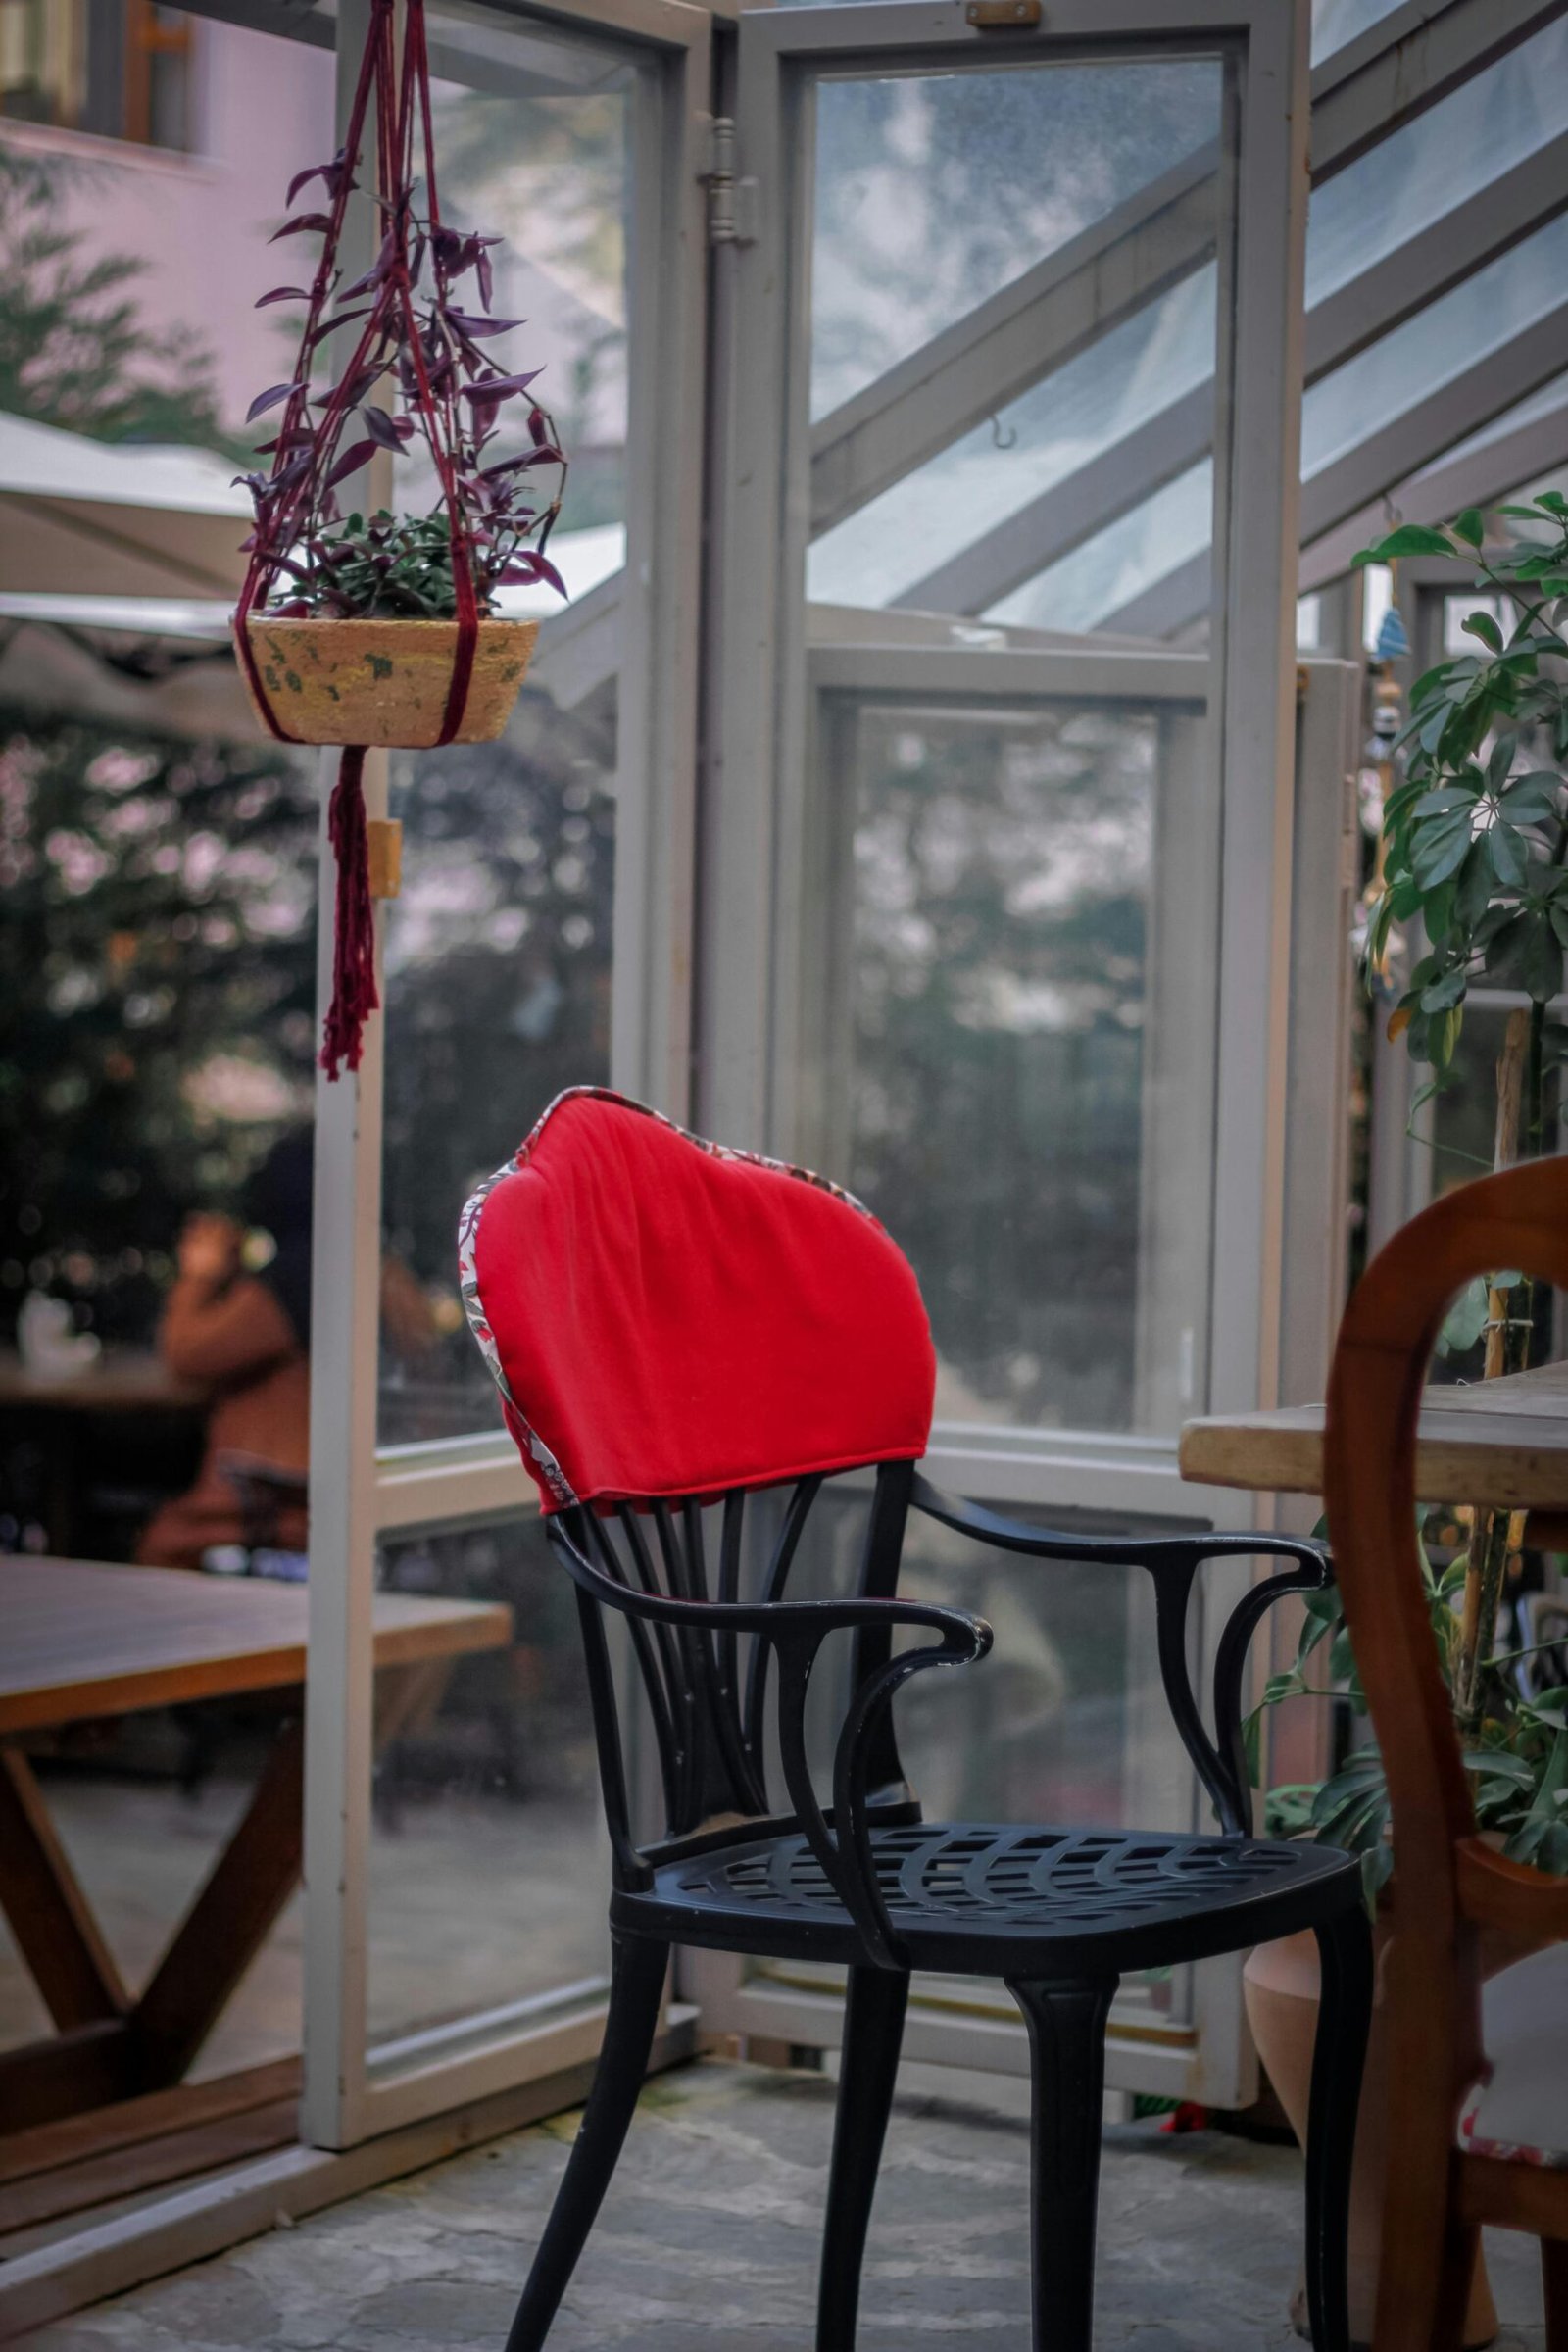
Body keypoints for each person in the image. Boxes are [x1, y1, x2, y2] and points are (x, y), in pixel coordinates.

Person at [136, 1130, 312, 1572]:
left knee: (160, 1546)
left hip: (275, 1504)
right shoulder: (370, 1269)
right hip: (294, 1497)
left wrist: (201, 1273)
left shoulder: (294, 1281)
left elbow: (186, 1354)